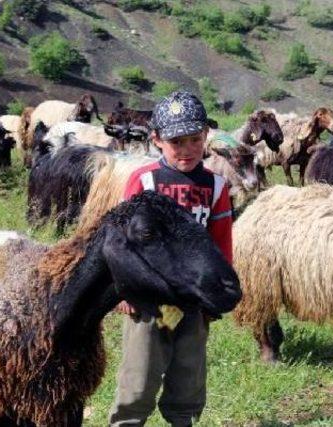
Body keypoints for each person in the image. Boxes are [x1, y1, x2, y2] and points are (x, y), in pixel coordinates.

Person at [108, 91, 233, 427]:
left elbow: (221, 243)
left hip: (194, 296)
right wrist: (124, 290)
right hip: (149, 296)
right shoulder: (145, 180)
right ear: (157, 140)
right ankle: (128, 421)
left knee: (188, 375)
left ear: (206, 137)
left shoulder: (216, 186)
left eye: (195, 139)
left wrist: (218, 291)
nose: (187, 149)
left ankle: (182, 420)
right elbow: (123, 242)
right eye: (177, 141)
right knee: (140, 371)